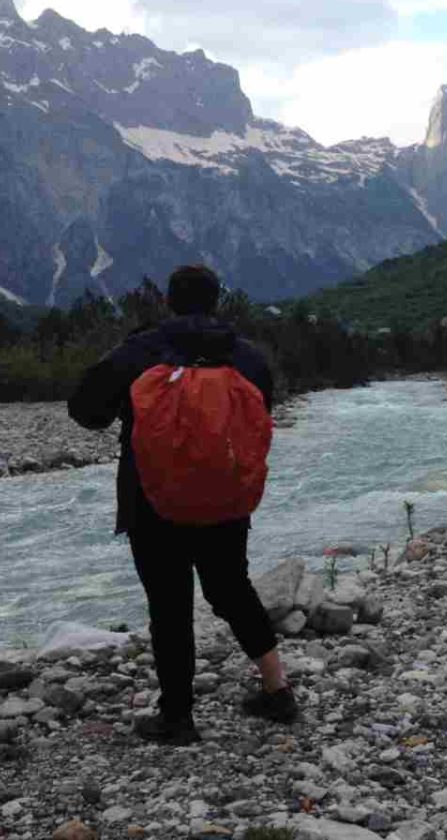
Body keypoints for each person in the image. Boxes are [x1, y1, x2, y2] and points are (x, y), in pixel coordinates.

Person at [68, 265, 297, 744]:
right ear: (217, 302)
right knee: (232, 588)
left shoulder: (141, 348)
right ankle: (277, 690)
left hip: (150, 499)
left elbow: (85, 411)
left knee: (169, 605)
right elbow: (261, 414)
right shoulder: (247, 356)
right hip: (226, 498)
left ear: (169, 301)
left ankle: (177, 717)